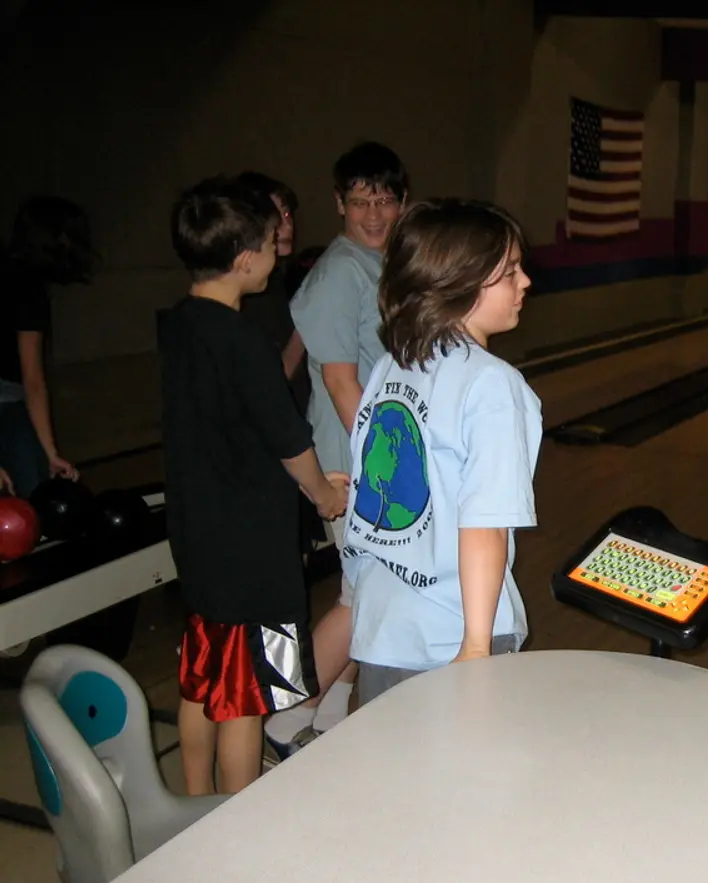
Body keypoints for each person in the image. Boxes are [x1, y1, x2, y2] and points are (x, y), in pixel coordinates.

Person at [160, 176, 348, 795]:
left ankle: (193, 800)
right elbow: (288, 438)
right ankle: (239, 813)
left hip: (199, 532)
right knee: (247, 691)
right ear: (245, 259)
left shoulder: (180, 324)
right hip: (250, 542)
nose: (277, 251)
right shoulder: (242, 339)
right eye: (271, 242)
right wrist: (324, 494)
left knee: (205, 670)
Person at [341, 198, 540, 704]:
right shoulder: (492, 384)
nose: (525, 283)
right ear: (462, 282)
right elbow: (486, 523)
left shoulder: (393, 365)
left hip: (383, 629)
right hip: (451, 634)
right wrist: (476, 649)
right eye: (511, 271)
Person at [263, 141, 409, 754]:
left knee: (369, 592)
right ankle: (280, 713)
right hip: (354, 462)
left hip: (378, 455)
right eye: (358, 201)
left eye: (383, 200)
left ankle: (325, 720)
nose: (372, 214)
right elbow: (339, 379)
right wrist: (385, 474)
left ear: (403, 202)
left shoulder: (388, 265)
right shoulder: (338, 272)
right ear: (339, 204)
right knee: (366, 594)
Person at [0, 196, 92, 497]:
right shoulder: (26, 287)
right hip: (6, 403)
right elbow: (33, 381)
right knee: (33, 502)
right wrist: (50, 451)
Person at [236, 171, 309, 408]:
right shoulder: (250, 295)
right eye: (275, 218)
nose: (285, 226)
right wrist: (308, 324)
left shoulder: (278, 279)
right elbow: (273, 380)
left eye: (287, 214)